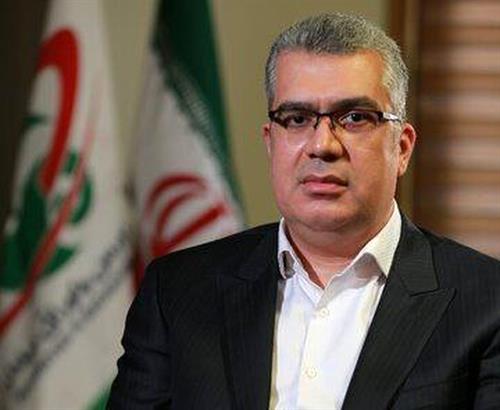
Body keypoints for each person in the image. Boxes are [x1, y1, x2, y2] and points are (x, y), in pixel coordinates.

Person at [108, 13, 500, 409]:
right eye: (297, 119)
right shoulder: (177, 292)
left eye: (354, 118)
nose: (322, 145)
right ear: (270, 143)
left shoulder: (487, 302)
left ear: (401, 148)